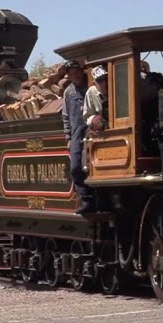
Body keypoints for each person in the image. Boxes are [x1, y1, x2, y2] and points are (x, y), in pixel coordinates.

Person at [61, 60, 97, 215]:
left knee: (93, 167)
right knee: (76, 168)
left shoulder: (91, 87)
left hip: (93, 131)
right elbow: (65, 116)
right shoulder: (68, 92)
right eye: (71, 73)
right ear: (68, 76)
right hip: (76, 134)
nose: (74, 75)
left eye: (76, 72)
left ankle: (98, 199)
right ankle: (86, 198)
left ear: (81, 72)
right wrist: (68, 137)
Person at [84, 65, 108, 132]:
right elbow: (87, 116)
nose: (105, 83)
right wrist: (94, 120)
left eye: (106, 79)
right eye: (100, 81)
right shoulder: (91, 92)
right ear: (94, 83)